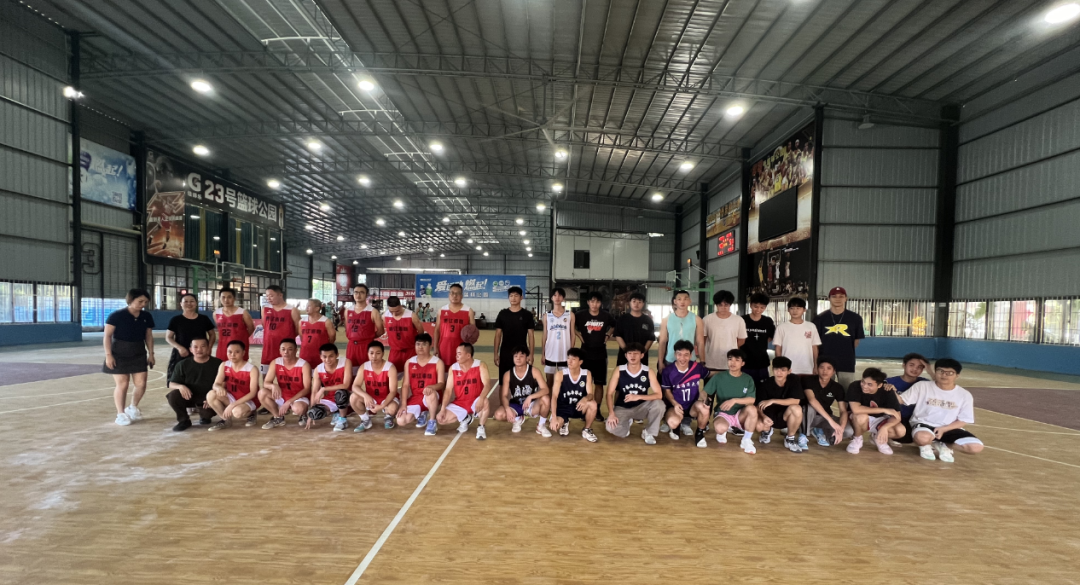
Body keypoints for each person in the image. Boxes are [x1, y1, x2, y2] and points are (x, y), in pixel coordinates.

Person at [898, 358, 983, 462]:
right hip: (924, 424)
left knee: (976, 447)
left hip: (949, 427)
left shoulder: (964, 395)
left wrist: (944, 429)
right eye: (940, 371)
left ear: (957, 375)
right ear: (935, 372)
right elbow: (901, 399)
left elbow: (963, 420)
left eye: (949, 373)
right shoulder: (922, 386)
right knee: (922, 438)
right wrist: (887, 389)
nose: (944, 375)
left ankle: (945, 445)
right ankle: (925, 446)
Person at [103, 288, 156, 426]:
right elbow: (107, 336)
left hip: (138, 352)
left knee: (141, 383)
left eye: (146, 302)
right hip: (119, 353)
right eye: (140, 301)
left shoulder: (146, 316)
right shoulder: (116, 316)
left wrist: (151, 354)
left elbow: (148, 336)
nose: (143, 304)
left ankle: (132, 407)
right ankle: (120, 414)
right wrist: (108, 355)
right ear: (130, 300)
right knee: (123, 384)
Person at [604, 343, 665, 444]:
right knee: (611, 427)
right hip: (622, 407)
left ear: (642, 355)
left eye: (636, 353)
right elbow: (609, 394)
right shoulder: (619, 370)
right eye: (630, 353)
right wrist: (611, 413)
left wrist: (638, 397)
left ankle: (649, 432)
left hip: (641, 407)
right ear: (626, 355)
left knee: (659, 405)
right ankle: (627, 423)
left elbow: (659, 395)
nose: (632, 356)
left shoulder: (648, 371)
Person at [703, 349, 758, 454]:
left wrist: (734, 400)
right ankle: (723, 431)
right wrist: (705, 399)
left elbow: (752, 399)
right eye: (730, 359)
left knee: (752, 409)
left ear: (742, 363)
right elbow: (705, 391)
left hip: (740, 414)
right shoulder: (719, 377)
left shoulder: (748, 379)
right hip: (723, 412)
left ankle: (746, 440)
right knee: (720, 428)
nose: (733, 362)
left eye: (737, 360)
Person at [659, 340, 711, 445]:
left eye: (686, 355)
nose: (682, 358)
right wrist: (675, 404)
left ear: (691, 355)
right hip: (676, 406)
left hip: (692, 407)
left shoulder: (696, 367)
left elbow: (711, 375)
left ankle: (699, 434)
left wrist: (729, 372)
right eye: (679, 354)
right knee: (673, 422)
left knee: (705, 408)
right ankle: (676, 426)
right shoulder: (668, 371)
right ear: (675, 354)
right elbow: (667, 391)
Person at [165, 337, 222, 431]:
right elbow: (171, 383)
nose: (199, 349)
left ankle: (205, 416)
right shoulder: (182, 364)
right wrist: (180, 386)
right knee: (173, 395)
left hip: (208, 398)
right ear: (190, 349)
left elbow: (224, 383)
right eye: (195, 347)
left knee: (207, 414)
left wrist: (212, 397)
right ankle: (184, 420)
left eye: (203, 346)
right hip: (189, 396)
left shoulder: (218, 363)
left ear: (208, 348)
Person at [493, 345, 551, 437]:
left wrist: (531, 397)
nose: (518, 358)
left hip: (532, 405)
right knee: (498, 415)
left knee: (546, 399)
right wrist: (507, 409)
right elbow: (504, 396)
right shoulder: (508, 374)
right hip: (516, 405)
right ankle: (518, 419)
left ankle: (541, 425)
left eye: (521, 356)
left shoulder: (534, 371)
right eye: (515, 356)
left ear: (527, 358)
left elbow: (546, 389)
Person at [813, 287, 865, 388]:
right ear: (829, 299)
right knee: (824, 390)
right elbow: (815, 343)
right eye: (834, 296)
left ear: (846, 298)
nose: (838, 299)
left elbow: (856, 341)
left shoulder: (855, 318)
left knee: (847, 390)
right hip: (825, 362)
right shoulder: (820, 318)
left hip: (846, 361)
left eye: (841, 296)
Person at [845, 367, 905, 455]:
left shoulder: (887, 390)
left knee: (900, 430)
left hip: (880, 420)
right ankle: (857, 439)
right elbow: (856, 409)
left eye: (869, 384)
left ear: (879, 385)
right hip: (860, 418)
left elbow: (897, 416)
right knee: (860, 416)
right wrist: (884, 409)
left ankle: (877, 438)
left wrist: (885, 428)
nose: (864, 386)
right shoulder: (855, 386)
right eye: (863, 382)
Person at [575, 291, 615, 419]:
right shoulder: (580, 315)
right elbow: (570, 324)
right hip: (585, 354)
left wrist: (608, 334)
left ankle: (596, 410)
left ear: (600, 303)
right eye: (592, 301)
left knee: (599, 384)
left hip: (600, 354)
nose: (594, 304)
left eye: (597, 301)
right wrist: (578, 335)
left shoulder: (606, 316)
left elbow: (614, 325)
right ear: (588, 302)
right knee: (583, 383)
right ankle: (583, 409)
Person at [438, 342, 491, 439]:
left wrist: (481, 398)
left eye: (459, 354)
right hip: (460, 403)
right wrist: (442, 409)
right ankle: (466, 418)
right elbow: (448, 390)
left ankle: (481, 427)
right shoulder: (453, 368)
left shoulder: (480, 365)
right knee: (441, 419)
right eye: (456, 353)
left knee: (485, 401)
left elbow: (487, 385)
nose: (456, 356)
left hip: (475, 401)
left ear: (468, 355)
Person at [397, 333, 446, 436]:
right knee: (401, 420)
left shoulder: (437, 362)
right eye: (418, 344)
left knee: (430, 394)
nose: (420, 347)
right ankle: (423, 413)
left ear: (430, 346)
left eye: (424, 344)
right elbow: (405, 385)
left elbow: (441, 383)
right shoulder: (409, 362)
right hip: (416, 397)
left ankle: (432, 421)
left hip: (433, 396)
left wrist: (432, 387)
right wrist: (403, 404)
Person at [257, 338, 311, 429]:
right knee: (262, 393)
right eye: (283, 349)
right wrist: (273, 385)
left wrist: (289, 401)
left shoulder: (304, 365)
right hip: (282, 395)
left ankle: (303, 414)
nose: (286, 352)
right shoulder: (275, 362)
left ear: (296, 351)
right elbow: (266, 382)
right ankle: (278, 417)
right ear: (280, 351)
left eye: (290, 349)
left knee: (298, 409)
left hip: (299, 397)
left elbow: (307, 389)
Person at [206, 340, 260, 430]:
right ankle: (225, 420)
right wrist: (218, 388)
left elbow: (253, 393)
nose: (233, 355)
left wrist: (232, 405)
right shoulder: (224, 365)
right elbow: (215, 384)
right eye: (230, 352)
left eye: (237, 352)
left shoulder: (252, 369)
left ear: (243, 353)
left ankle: (251, 413)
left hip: (248, 400)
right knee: (211, 395)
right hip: (232, 397)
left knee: (237, 412)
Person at [755, 356, 805, 453]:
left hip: (786, 416)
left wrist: (773, 400)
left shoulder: (794, 380)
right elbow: (758, 405)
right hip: (769, 416)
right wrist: (763, 417)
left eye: (783, 370)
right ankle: (766, 431)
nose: (779, 372)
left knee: (797, 409)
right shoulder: (765, 384)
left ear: (789, 371)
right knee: (759, 426)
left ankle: (790, 438)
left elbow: (796, 401)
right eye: (776, 369)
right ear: (772, 370)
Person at [548, 348, 599, 442]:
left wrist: (585, 399)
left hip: (579, 406)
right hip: (563, 407)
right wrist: (554, 417)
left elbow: (590, 394)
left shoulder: (586, 374)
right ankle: (564, 422)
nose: (569, 361)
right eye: (568, 358)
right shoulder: (560, 374)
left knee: (593, 404)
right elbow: (554, 397)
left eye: (573, 359)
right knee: (555, 425)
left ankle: (586, 429)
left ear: (580, 362)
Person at [350, 341, 400, 433]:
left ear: (383, 354)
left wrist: (382, 406)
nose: (374, 356)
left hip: (387, 398)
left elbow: (393, 391)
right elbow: (355, 386)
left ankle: (388, 417)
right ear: (368, 354)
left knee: (392, 408)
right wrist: (365, 395)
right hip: (371, 398)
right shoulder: (364, 367)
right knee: (353, 397)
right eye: (371, 353)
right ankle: (365, 420)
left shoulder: (390, 367)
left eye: (378, 353)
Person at [800, 357, 850, 447]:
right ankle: (804, 435)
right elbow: (812, 400)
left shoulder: (837, 387)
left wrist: (841, 429)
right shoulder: (808, 380)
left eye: (829, 368)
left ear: (834, 371)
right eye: (822, 367)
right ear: (817, 369)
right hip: (807, 417)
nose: (825, 371)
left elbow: (843, 411)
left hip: (824, 419)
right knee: (810, 408)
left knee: (848, 430)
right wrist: (831, 421)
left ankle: (819, 430)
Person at [165, 293, 216, 379]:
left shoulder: (204, 319)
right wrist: (179, 348)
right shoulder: (176, 320)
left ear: (196, 303)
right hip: (182, 354)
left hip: (200, 352)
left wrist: (209, 347)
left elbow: (212, 335)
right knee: (179, 378)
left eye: (192, 301)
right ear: (181, 304)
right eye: (186, 301)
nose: (189, 303)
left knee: (201, 377)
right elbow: (168, 337)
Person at [307, 343, 353, 431]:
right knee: (315, 413)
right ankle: (336, 413)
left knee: (341, 393)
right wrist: (311, 412)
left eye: (331, 356)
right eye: (324, 357)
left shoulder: (346, 362)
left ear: (337, 355)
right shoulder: (318, 369)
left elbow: (346, 385)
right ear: (320, 357)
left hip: (347, 395)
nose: (327, 360)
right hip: (330, 398)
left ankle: (343, 419)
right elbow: (314, 391)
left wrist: (324, 388)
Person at [494, 286, 536, 382]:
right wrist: (496, 354)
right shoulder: (503, 314)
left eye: (516, 295)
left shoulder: (527, 315)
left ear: (521, 297)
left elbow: (531, 336)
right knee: (503, 382)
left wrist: (531, 354)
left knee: (522, 381)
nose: (513, 298)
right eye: (511, 295)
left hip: (522, 353)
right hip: (505, 353)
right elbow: (498, 335)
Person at [657, 290, 704, 372]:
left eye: (685, 299)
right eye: (679, 299)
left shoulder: (697, 319)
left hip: (690, 359)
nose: (682, 301)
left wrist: (702, 361)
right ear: (675, 301)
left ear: (690, 301)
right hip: (671, 359)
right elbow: (662, 342)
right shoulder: (666, 319)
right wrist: (660, 362)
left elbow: (700, 342)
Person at [772, 297, 820, 376]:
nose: (795, 311)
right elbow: (778, 348)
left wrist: (816, 366)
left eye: (798, 308)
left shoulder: (811, 326)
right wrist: (780, 366)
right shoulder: (781, 327)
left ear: (804, 310)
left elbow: (814, 348)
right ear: (788, 310)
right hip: (788, 368)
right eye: (792, 308)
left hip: (807, 368)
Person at [701, 290, 747, 370]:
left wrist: (730, 345)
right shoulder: (707, 319)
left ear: (730, 304)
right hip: (711, 361)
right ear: (716, 305)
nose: (723, 307)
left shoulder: (739, 320)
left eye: (726, 305)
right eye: (720, 305)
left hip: (731, 362)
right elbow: (703, 340)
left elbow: (741, 340)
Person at [260, 285, 300, 375]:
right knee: (265, 374)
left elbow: (299, 329)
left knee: (286, 375)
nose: (268, 298)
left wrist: (287, 336)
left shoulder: (292, 310)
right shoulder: (265, 309)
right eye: (267, 296)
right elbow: (264, 325)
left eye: (271, 296)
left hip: (286, 349)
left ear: (280, 295)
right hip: (269, 347)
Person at [541, 288, 576, 389]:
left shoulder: (570, 315)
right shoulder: (546, 316)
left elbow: (572, 334)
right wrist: (543, 353)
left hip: (565, 353)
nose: (557, 297)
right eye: (555, 295)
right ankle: (550, 400)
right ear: (551, 298)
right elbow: (545, 335)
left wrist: (571, 353)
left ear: (563, 298)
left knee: (564, 383)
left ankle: (561, 400)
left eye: (560, 295)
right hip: (550, 353)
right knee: (549, 382)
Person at [345, 284, 384, 373]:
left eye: (361, 292)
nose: (358, 295)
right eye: (356, 292)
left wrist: (369, 337)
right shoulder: (348, 310)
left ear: (366, 295)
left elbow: (381, 330)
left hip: (366, 346)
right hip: (351, 346)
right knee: (350, 373)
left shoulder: (373, 311)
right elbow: (347, 328)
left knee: (368, 373)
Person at [434, 283, 475, 366]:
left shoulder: (468, 311)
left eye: (457, 293)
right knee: (444, 372)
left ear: (462, 296)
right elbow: (437, 330)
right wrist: (435, 347)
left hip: (462, 349)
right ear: (449, 295)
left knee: (460, 371)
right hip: (444, 348)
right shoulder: (441, 310)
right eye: (452, 293)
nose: (454, 296)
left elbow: (473, 332)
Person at [741, 292, 775, 386]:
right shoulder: (743, 320)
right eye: (755, 306)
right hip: (745, 361)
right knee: (745, 386)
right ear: (751, 305)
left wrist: (759, 344)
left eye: (762, 307)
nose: (758, 310)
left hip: (762, 361)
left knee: (762, 387)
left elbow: (770, 337)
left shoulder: (767, 321)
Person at [886, 352, 930, 424]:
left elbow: (943, 386)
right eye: (911, 365)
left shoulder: (925, 384)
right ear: (904, 365)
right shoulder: (889, 382)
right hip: (892, 419)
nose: (915, 369)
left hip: (916, 421)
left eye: (919, 367)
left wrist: (930, 371)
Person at [213, 287, 254, 362]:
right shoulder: (216, 313)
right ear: (220, 299)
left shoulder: (243, 313)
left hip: (238, 347)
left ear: (234, 298)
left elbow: (251, 328)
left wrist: (242, 337)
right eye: (223, 297)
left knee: (239, 367)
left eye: (229, 297)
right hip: (222, 347)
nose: (226, 300)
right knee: (223, 367)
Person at [614, 292, 655, 367]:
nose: (636, 304)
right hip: (624, 356)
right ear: (630, 303)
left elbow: (651, 338)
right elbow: (618, 335)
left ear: (643, 304)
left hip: (642, 357)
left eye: (639, 302)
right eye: (634, 301)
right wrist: (627, 351)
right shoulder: (622, 319)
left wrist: (642, 352)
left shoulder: (648, 320)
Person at [384, 295, 422, 372]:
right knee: (392, 375)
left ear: (401, 306)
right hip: (395, 352)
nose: (394, 314)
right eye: (391, 312)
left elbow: (421, 331)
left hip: (410, 351)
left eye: (397, 311)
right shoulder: (385, 316)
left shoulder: (411, 315)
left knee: (412, 375)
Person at [299, 298, 336, 365]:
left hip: (320, 356)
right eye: (306, 306)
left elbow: (332, 338)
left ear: (317, 308)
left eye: (309, 306)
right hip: (304, 354)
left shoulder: (326, 322)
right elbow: (302, 337)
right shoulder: (301, 321)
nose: (306, 308)